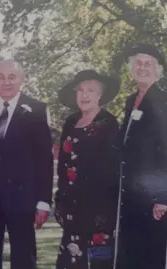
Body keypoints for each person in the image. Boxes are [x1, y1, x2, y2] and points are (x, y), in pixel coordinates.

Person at [0, 59, 54, 269]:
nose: (6, 82)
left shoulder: (37, 109)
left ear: (22, 78)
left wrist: (44, 201)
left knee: (23, 257)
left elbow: (45, 159)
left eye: (12, 77)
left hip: (22, 198)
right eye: (1, 77)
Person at [55, 70, 119, 269]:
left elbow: (112, 169)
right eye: (80, 90)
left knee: (98, 262)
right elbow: (63, 164)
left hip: (99, 211)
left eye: (91, 90)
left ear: (100, 95)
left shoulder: (108, 123)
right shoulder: (70, 122)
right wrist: (60, 199)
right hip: (71, 208)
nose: (85, 95)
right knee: (72, 261)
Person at [116, 44, 167, 269]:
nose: (142, 68)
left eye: (148, 64)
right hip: (130, 196)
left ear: (158, 70)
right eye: (138, 63)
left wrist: (162, 197)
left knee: (150, 258)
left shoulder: (163, 102)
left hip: (154, 200)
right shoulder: (130, 102)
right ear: (131, 68)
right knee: (130, 257)